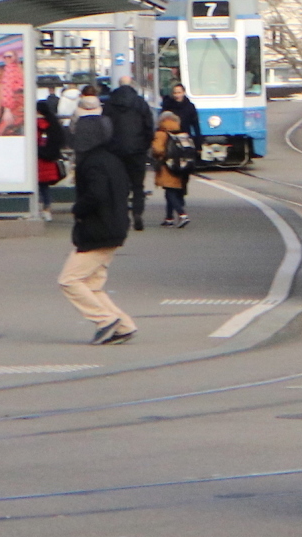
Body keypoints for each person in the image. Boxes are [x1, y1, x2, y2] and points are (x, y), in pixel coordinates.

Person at [60, 109, 137, 345]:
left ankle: (105, 320)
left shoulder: (91, 163)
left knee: (69, 280)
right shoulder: (113, 159)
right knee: (92, 285)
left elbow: (95, 194)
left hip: (97, 230)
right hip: (115, 227)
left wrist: (78, 209)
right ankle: (123, 325)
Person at [102, 75, 157, 233]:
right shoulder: (140, 102)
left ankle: (122, 216)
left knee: (119, 185)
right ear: (132, 84)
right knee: (138, 184)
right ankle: (137, 213)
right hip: (137, 150)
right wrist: (145, 145)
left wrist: (108, 145)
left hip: (115, 151)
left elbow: (104, 125)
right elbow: (149, 125)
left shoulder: (110, 103)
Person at [153, 109, 199, 228]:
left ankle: (182, 214)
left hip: (167, 166)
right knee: (172, 191)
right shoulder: (181, 133)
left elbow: (157, 149)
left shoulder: (161, 133)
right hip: (181, 166)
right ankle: (169, 218)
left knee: (169, 193)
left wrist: (160, 155)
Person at [160, 79, 202, 150]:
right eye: (175, 93)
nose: (177, 95)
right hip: (170, 137)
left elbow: (195, 125)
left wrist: (198, 145)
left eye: (179, 92)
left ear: (183, 93)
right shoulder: (167, 105)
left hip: (185, 136)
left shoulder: (190, 106)